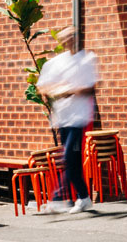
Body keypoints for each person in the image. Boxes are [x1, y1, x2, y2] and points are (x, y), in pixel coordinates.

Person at [36, 26, 99, 214]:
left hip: (78, 118)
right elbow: (42, 87)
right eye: (65, 37)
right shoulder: (54, 63)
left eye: (72, 36)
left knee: (68, 158)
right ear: (60, 40)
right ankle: (84, 198)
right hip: (62, 117)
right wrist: (61, 89)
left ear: (77, 38)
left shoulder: (87, 59)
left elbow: (90, 88)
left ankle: (57, 198)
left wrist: (66, 90)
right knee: (73, 161)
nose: (69, 40)